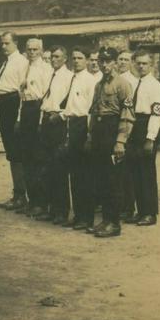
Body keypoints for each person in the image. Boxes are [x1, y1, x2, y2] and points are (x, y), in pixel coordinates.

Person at [85, 48, 135, 238]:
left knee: (114, 180)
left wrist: (120, 141)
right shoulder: (99, 85)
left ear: (115, 62)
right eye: (101, 61)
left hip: (113, 131)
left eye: (108, 61)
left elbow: (127, 115)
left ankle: (114, 223)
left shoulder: (123, 84)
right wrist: (90, 137)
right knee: (102, 179)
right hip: (99, 133)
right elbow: (94, 112)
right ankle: (106, 220)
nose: (104, 65)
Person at [122, 49, 160, 226]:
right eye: (138, 63)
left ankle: (149, 213)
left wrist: (150, 138)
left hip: (146, 127)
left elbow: (157, 114)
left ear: (151, 65)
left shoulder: (155, 86)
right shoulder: (132, 83)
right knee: (132, 172)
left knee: (146, 173)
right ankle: (137, 210)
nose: (141, 66)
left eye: (145, 63)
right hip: (133, 126)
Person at [62, 47, 98, 230]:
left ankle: (87, 217)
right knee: (74, 174)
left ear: (86, 61)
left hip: (84, 125)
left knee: (85, 175)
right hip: (71, 124)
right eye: (74, 58)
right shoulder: (71, 78)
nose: (76, 61)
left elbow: (91, 110)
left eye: (80, 58)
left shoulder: (90, 81)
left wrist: (90, 135)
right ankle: (78, 214)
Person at [0, 31, 29, 210]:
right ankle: (18, 193)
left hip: (14, 104)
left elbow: (22, 92)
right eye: (1, 43)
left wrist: (18, 118)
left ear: (16, 43)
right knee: (11, 154)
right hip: (5, 106)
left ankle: (21, 195)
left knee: (16, 154)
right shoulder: (7, 62)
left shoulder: (21, 62)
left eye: (6, 43)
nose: (3, 47)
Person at [17, 38, 52, 218]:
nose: (31, 52)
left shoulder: (46, 69)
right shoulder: (24, 67)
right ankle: (32, 200)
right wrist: (18, 119)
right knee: (27, 158)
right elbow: (21, 94)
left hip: (37, 111)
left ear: (41, 50)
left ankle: (41, 202)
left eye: (35, 50)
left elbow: (46, 97)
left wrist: (40, 122)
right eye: (29, 49)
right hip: (26, 110)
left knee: (38, 159)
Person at [39, 46, 73, 225]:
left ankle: (62, 211)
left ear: (65, 58)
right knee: (47, 169)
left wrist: (59, 117)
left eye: (58, 57)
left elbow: (71, 105)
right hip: (46, 121)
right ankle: (51, 209)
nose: (54, 60)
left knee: (59, 169)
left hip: (58, 123)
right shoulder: (49, 75)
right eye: (52, 56)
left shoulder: (69, 77)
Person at [116, 48, 139, 219]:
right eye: (120, 59)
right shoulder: (114, 79)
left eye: (126, 59)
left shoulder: (132, 81)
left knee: (126, 170)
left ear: (131, 62)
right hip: (113, 126)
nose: (123, 62)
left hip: (126, 126)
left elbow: (129, 109)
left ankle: (128, 207)